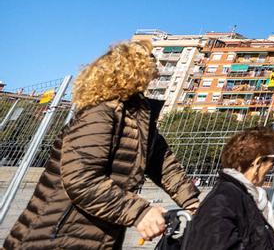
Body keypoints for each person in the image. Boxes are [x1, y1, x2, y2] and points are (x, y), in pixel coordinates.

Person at [3, 40, 200, 250]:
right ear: (130, 71)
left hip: (98, 239)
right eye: (151, 65)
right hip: (53, 238)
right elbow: (81, 179)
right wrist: (140, 211)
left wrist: (196, 205)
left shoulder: (139, 120)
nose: (157, 73)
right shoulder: (99, 113)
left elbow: (164, 167)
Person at [183, 127, 274, 250]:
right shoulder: (224, 201)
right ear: (257, 163)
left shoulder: (248, 198)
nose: (273, 167)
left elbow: (267, 243)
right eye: (273, 161)